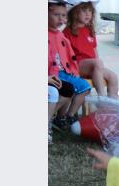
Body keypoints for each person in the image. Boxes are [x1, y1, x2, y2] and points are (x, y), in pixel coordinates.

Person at [48, 0, 91, 130]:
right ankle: (54, 117)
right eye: (57, 15)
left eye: (64, 15)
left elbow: (69, 55)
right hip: (53, 74)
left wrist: (73, 69)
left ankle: (65, 116)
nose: (61, 19)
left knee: (84, 86)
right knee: (69, 89)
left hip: (64, 71)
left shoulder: (60, 35)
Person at [64, 1, 119, 98]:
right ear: (74, 12)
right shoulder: (67, 32)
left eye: (90, 11)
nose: (88, 14)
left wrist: (99, 68)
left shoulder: (89, 30)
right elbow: (64, 54)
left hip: (93, 66)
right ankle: (101, 97)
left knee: (113, 77)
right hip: (77, 66)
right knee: (97, 63)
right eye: (84, 11)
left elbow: (94, 49)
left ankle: (112, 104)